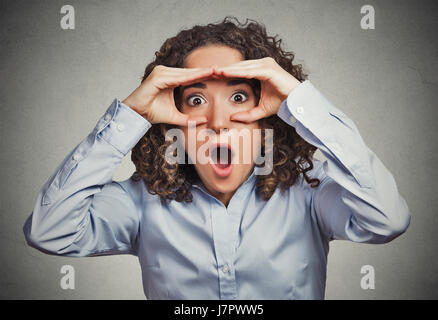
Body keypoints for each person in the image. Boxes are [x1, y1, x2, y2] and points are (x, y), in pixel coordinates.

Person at [23, 16, 411, 299]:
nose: (218, 122)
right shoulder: (139, 203)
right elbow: (50, 231)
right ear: (173, 122)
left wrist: (301, 103)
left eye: (239, 97)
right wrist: (129, 116)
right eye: (196, 100)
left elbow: (387, 220)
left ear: (268, 117)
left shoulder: (310, 194)